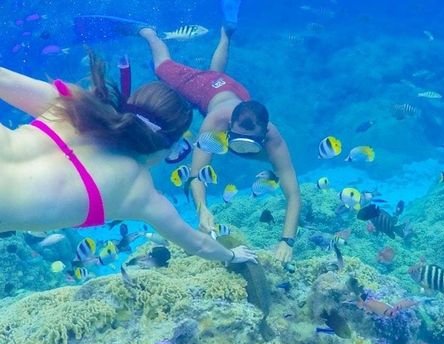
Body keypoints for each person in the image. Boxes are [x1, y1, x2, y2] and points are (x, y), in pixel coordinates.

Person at [0, 54, 257, 265]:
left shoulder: (76, 104)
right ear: (171, 145)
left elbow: (4, 78)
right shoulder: (140, 193)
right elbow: (197, 242)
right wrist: (232, 255)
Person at [137, 25, 301, 264]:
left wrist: (287, 240)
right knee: (163, 68)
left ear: (264, 132)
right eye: (236, 141)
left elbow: (293, 193)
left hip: (234, 90)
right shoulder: (215, 123)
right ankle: (148, 33)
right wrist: (202, 208)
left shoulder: (273, 139)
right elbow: (196, 175)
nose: (242, 149)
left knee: (218, 74)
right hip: (205, 90)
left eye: (251, 143)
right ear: (230, 124)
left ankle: (225, 33)